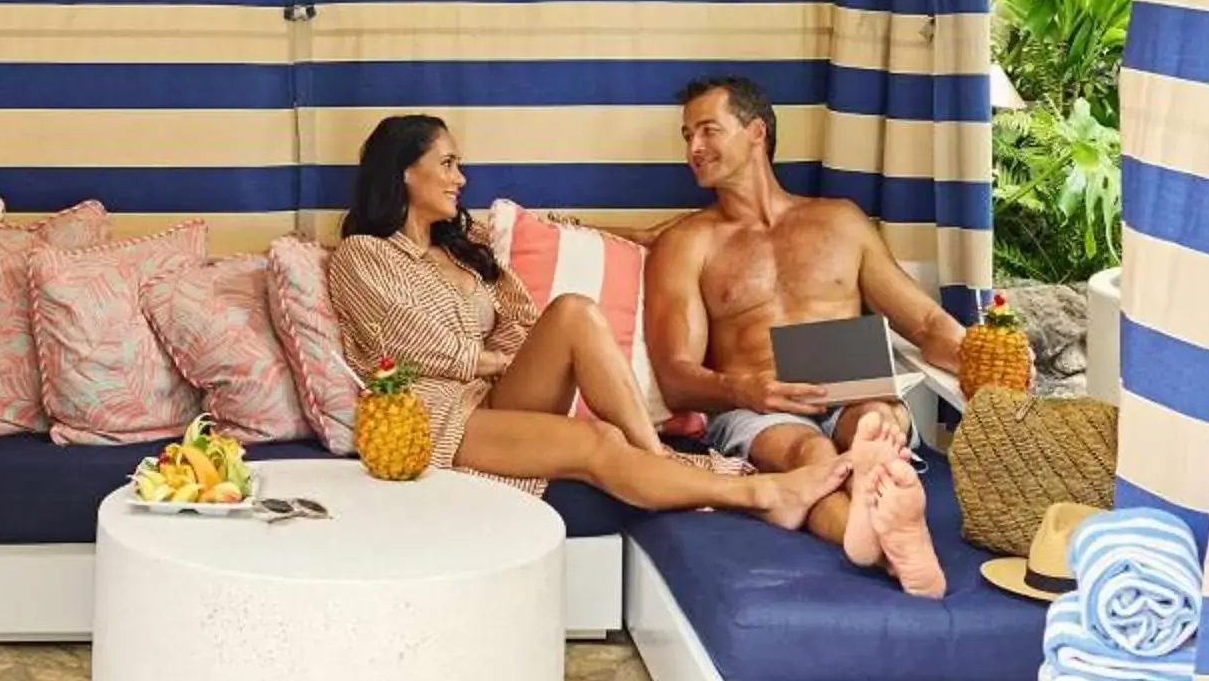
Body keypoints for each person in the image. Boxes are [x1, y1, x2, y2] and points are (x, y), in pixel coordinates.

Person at [325, 114, 847, 524]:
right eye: (447, 165)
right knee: (599, 443)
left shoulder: (466, 248)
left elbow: (538, 272)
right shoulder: (365, 253)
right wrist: (503, 358)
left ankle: (655, 455)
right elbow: (417, 347)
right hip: (430, 417)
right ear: (404, 172)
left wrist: (644, 237)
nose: (460, 179)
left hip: (493, 396)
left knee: (574, 311)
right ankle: (759, 492)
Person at [644, 74, 963, 597]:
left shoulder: (840, 221)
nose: (693, 149)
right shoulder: (687, 243)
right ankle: (889, 549)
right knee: (808, 457)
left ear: (755, 132)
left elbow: (926, 324)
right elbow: (676, 377)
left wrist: (982, 355)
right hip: (757, 409)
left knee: (875, 423)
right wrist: (748, 390)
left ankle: (881, 528)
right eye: (687, 137)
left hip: (851, 390)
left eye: (707, 130)